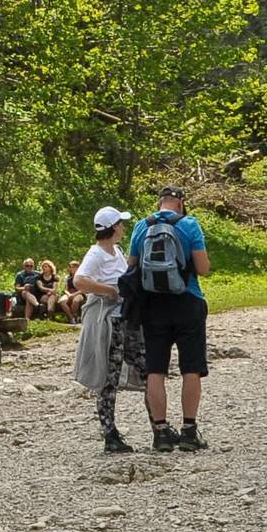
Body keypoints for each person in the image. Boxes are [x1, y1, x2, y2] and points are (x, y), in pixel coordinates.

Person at [129, 185, 213, 452]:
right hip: (188, 300)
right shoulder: (189, 224)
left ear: (159, 203)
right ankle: (189, 430)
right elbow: (202, 268)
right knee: (191, 367)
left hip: (153, 306)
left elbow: (132, 267)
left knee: (156, 369)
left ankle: (161, 432)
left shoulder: (142, 226)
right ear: (181, 203)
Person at [70, 207, 134, 451]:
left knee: (133, 368)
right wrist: (110, 291)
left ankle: (154, 427)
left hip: (122, 317)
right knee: (109, 374)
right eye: (121, 224)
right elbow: (80, 280)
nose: (123, 228)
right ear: (114, 227)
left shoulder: (115, 250)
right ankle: (110, 433)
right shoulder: (96, 253)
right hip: (109, 320)